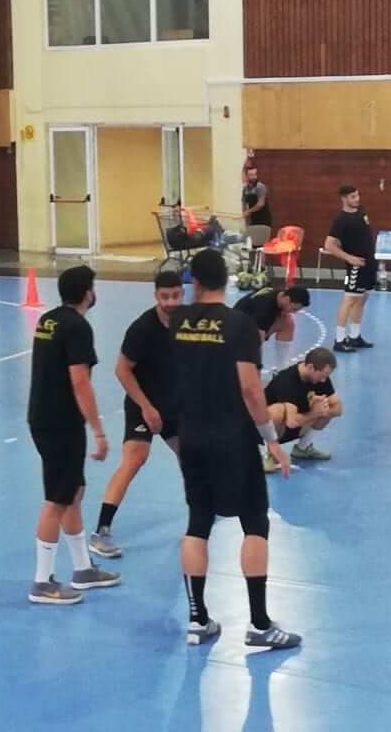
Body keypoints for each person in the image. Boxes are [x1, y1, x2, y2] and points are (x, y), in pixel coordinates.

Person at [172, 249, 301, 650]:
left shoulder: (177, 321)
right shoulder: (239, 324)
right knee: (255, 523)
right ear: (225, 280)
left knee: (198, 523)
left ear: (194, 282)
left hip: (191, 435)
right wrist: (271, 439)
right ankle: (259, 624)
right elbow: (250, 387)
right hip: (232, 436)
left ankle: (197, 621)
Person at [27, 265, 120, 604]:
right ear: (87, 294)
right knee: (57, 498)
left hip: (43, 415)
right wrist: (98, 430)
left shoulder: (48, 320)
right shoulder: (78, 327)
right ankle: (42, 582)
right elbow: (80, 381)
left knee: (73, 491)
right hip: (61, 422)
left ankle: (82, 568)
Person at [89, 271, 184, 559]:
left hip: (174, 405)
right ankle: (101, 531)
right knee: (134, 459)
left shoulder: (188, 322)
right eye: (165, 296)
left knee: (192, 456)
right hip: (143, 404)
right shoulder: (142, 328)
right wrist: (146, 407)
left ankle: (202, 512)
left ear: (182, 294)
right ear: (156, 296)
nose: (170, 302)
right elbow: (122, 369)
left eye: (175, 296)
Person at [262, 347, 343, 472]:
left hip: (293, 426)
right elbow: (291, 422)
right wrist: (314, 412)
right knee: (277, 411)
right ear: (310, 367)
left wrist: (322, 409)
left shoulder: (321, 377)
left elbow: (338, 408)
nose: (323, 380)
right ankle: (268, 454)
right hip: (264, 431)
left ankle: (302, 448)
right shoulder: (287, 380)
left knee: (325, 405)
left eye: (326, 376)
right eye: (322, 375)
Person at [322, 184, 376, 352]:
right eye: (353, 197)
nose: (357, 199)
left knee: (362, 298)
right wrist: (349, 258)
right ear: (344, 199)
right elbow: (329, 245)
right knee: (349, 299)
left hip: (368, 263)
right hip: (355, 266)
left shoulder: (361, 211)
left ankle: (355, 336)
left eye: (357, 195)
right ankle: (339, 340)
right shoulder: (341, 220)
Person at [233, 285, 310, 371]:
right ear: (287, 299)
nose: (294, 312)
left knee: (287, 322)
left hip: (247, 322)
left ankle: (279, 369)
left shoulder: (279, 294)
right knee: (256, 342)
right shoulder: (265, 308)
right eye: (294, 309)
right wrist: (257, 366)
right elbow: (258, 340)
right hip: (237, 333)